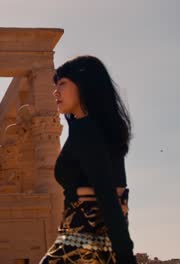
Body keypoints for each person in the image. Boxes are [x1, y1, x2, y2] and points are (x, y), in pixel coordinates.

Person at [39, 55, 138, 263]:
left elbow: (107, 194)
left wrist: (126, 257)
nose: (55, 91)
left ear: (84, 85)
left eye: (63, 83)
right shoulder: (98, 129)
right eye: (55, 85)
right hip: (97, 245)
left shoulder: (87, 130)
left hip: (81, 247)